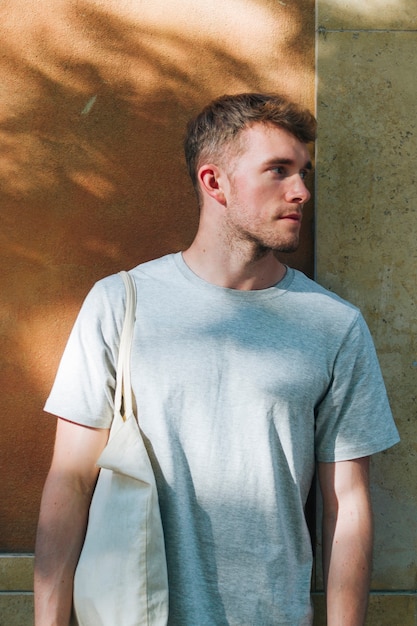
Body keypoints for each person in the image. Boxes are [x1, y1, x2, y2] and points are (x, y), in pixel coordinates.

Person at [35, 92, 399, 626]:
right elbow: (69, 479)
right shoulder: (120, 303)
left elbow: (347, 504)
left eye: (304, 173)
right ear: (215, 183)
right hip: (135, 614)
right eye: (278, 171)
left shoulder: (333, 324)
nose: (301, 191)